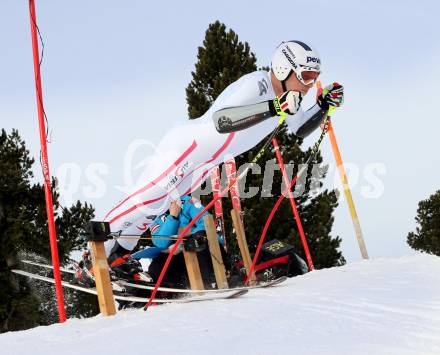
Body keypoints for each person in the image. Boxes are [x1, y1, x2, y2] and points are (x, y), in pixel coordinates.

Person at [103, 40, 344, 261]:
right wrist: (274, 107)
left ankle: (116, 257)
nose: (310, 85)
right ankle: (94, 246)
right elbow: (222, 121)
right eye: (306, 76)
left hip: (207, 161)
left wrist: (323, 105)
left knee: (157, 206)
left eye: (314, 78)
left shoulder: (289, 98)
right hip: (189, 145)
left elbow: (299, 128)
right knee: (149, 196)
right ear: (284, 69)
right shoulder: (257, 85)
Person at [131, 195, 227, 288]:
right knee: (157, 265)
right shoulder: (154, 216)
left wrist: (185, 241)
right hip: (179, 254)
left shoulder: (188, 201)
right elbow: (160, 242)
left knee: (198, 245)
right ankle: (173, 289)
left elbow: (206, 222)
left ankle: (211, 283)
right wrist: (173, 217)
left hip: (204, 247)